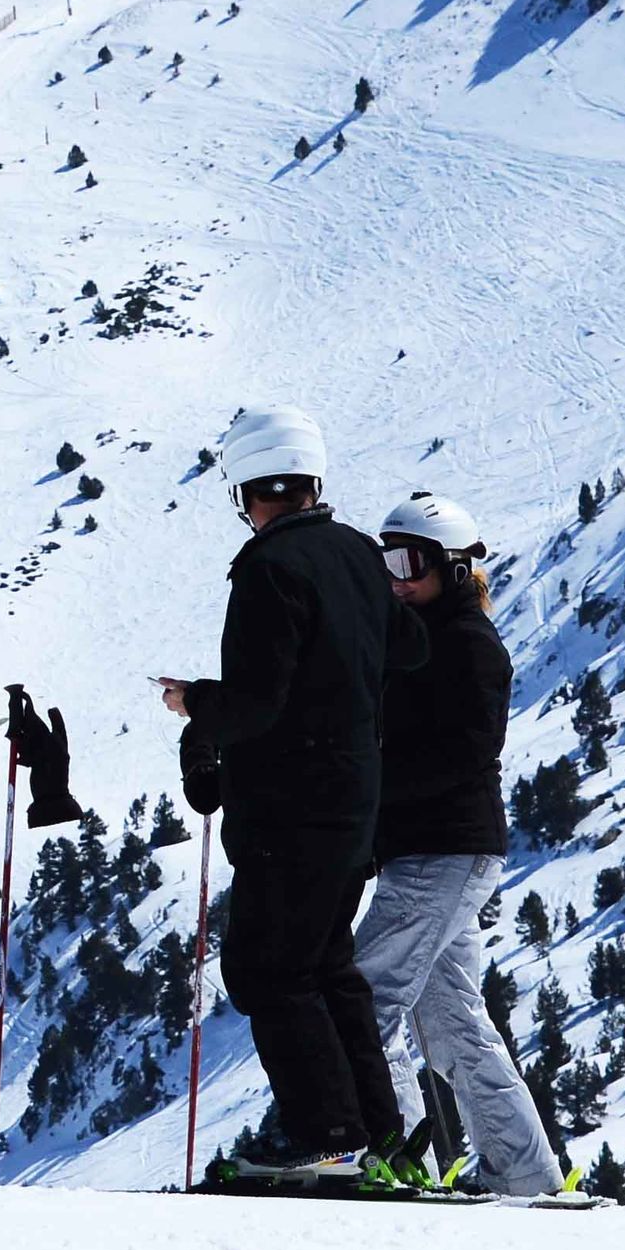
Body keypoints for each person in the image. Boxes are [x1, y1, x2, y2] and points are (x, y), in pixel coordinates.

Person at [161, 405, 425, 1178]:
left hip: (288, 809)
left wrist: (195, 704)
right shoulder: (358, 553)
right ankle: (380, 1138)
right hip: (355, 805)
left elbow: (256, 704)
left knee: (269, 970)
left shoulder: (269, 568)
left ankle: (328, 1141)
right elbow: (410, 648)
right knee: (328, 968)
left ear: (247, 489)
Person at [353, 493, 563, 1196]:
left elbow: (466, 753)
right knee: (452, 1024)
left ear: (450, 566)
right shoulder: (414, 639)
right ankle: (525, 1174)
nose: (397, 578)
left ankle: (391, 1158)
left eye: (409, 562)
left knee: (365, 1001)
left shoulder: (467, 644)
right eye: (385, 562)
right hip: (429, 851)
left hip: (442, 850)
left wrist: (372, 786)